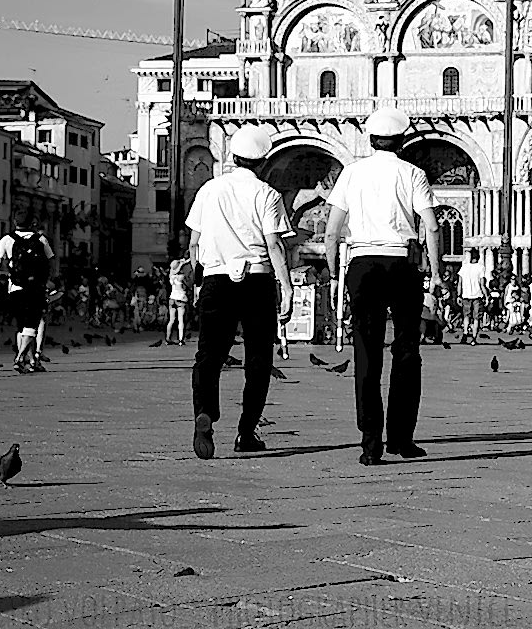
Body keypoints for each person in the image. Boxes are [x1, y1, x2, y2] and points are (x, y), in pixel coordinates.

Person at [322, 107, 440, 465]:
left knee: (366, 353)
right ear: (402, 141)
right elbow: (432, 227)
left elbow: (331, 231)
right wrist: (435, 273)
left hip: (362, 265)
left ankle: (370, 443)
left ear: (371, 140)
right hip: (402, 264)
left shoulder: (352, 173)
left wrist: (332, 275)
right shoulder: (413, 174)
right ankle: (401, 438)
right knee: (407, 351)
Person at [187, 125, 294, 459]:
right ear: (262, 162)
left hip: (216, 279)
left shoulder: (209, 190)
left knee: (209, 355)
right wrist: (286, 287)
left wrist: (199, 282)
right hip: (258, 280)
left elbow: (194, 243)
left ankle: (205, 411)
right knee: (258, 359)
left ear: (232, 158)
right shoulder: (267, 194)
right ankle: (246, 433)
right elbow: (275, 244)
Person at [0, 213, 54, 374]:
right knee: (32, 326)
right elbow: (51, 261)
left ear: (14, 223)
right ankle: (20, 358)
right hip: (36, 288)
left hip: (15, 288)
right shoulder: (41, 239)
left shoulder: (6, 239)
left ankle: (31, 361)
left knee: (21, 327)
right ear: (32, 223)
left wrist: (11, 271)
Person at [457, 249, 487, 344]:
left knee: (466, 316)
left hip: (465, 295)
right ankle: (474, 338)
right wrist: (486, 296)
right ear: (478, 258)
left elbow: (460, 283)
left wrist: (459, 295)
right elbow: (482, 284)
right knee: (476, 318)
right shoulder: (480, 267)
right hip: (477, 295)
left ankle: (465, 332)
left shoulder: (464, 267)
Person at [165, 253, 191, 346]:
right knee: (181, 320)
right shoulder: (182, 277)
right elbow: (189, 285)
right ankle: (180, 339)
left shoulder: (171, 276)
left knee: (171, 320)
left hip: (172, 298)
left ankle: (167, 338)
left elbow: (174, 270)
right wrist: (183, 263)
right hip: (181, 298)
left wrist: (180, 263)